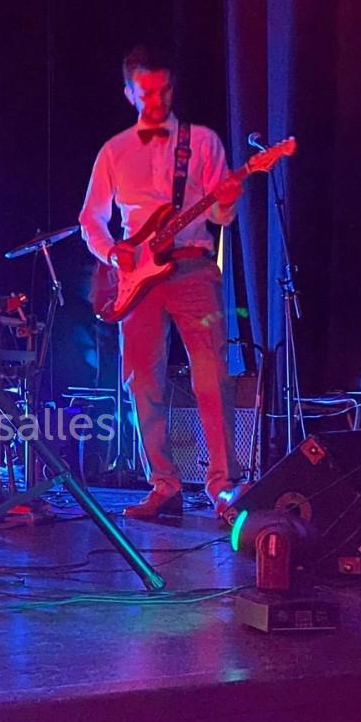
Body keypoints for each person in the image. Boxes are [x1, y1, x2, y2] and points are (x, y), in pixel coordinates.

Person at [78, 45, 243, 517]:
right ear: (129, 92)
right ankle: (164, 484)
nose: (157, 100)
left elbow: (219, 214)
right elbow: (91, 219)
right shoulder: (114, 151)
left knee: (211, 374)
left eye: (164, 90)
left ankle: (222, 485)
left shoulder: (203, 141)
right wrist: (114, 251)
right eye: (146, 92)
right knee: (142, 381)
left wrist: (227, 200)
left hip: (192, 265)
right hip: (136, 277)